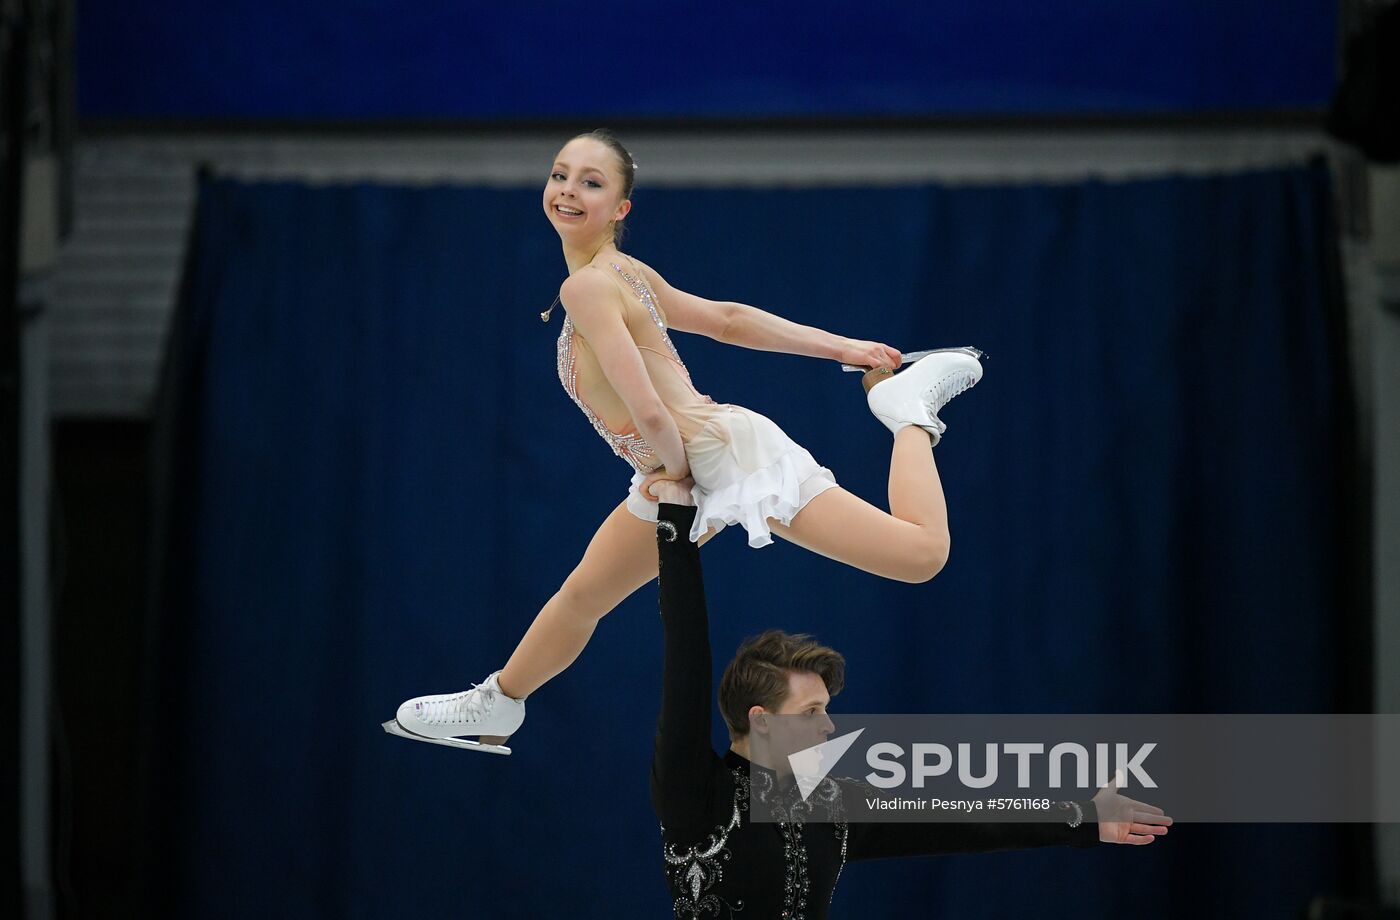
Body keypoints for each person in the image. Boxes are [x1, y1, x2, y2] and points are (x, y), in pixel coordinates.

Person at [391, 129, 984, 750]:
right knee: (584, 594)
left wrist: (674, 476)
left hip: (712, 456)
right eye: (560, 174)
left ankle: (907, 410)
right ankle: (499, 701)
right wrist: (841, 347)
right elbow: (726, 321)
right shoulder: (617, 273)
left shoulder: (590, 285)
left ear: (621, 208)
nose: (568, 190)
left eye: (591, 183)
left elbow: (651, 409)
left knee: (921, 556)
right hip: (688, 465)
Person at [647, 491, 1171, 918]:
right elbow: (686, 654)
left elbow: (963, 818)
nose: (828, 727)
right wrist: (674, 520)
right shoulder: (697, 791)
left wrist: (1085, 816)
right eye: (810, 712)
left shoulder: (832, 805)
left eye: (826, 708)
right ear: (760, 720)